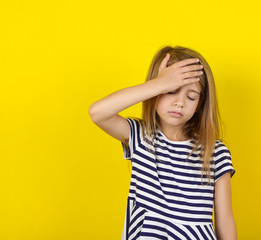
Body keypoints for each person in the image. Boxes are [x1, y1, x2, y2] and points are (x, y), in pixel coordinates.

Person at [89, 46, 237, 239]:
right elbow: (97, 113)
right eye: (171, 91)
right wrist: (159, 84)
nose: (180, 102)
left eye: (191, 96)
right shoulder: (141, 136)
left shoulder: (215, 151)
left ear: (200, 104)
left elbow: (225, 220)